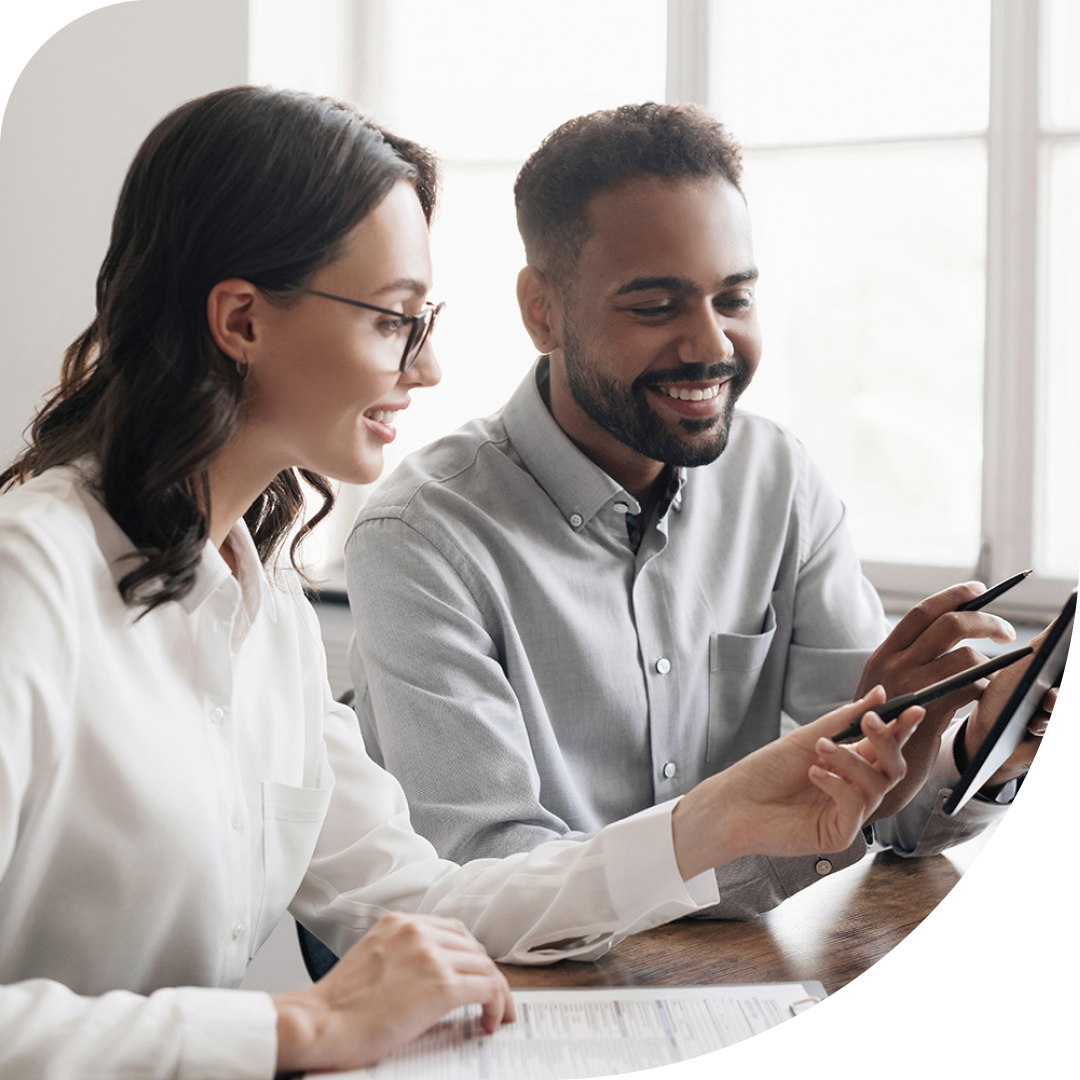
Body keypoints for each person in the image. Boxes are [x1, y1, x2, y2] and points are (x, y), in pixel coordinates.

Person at [0, 87, 922, 1080]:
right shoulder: (31, 586)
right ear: (241, 321)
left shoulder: (256, 601)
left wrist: (713, 823)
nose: (430, 366)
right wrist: (295, 1028)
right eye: (396, 320)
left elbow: (425, 900)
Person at [344, 102, 1044, 927]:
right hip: (511, 1002)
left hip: (714, 981)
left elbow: (886, 811)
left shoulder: (777, 480)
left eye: (734, 298)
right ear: (543, 310)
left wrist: (976, 744)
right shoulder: (420, 538)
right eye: (656, 306)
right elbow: (492, 876)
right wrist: (774, 837)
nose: (710, 344)